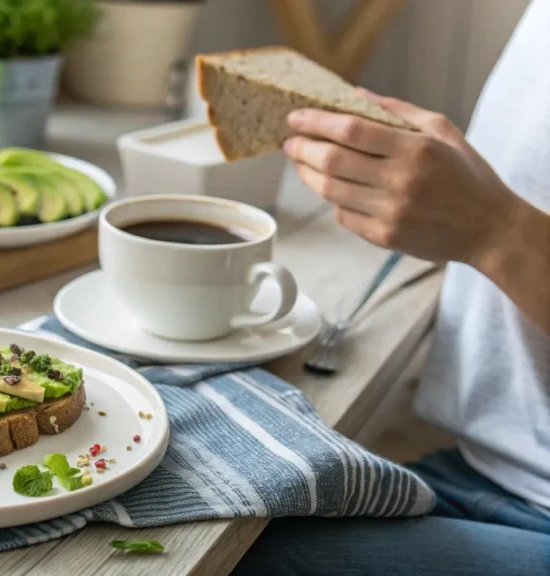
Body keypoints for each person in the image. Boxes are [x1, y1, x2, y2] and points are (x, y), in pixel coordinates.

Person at [232, 1, 550, 574]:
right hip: (483, 468)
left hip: (533, 507)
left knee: (215, 554)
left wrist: (495, 229)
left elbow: (506, 223)